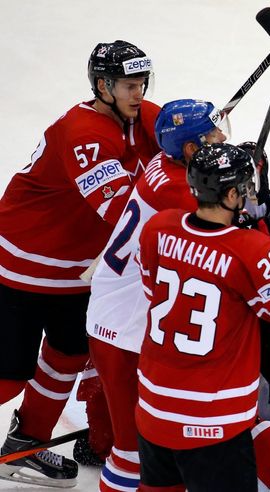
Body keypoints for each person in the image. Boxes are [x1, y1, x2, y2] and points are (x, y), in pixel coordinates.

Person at [85, 99, 270, 491]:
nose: (221, 137)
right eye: (214, 135)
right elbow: (252, 257)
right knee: (132, 456)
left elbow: (244, 233)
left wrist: (244, 184)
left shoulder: (169, 182)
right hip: (132, 329)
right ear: (191, 152)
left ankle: (102, 427)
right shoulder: (184, 204)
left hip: (146, 321)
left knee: (152, 448)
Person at [0, 40, 159, 487]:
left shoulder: (138, 114)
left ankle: (24, 445)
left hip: (76, 273)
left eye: (142, 83)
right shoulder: (83, 133)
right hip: (23, 265)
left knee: (67, 356)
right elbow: (121, 211)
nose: (139, 92)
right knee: (8, 376)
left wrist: (202, 139)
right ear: (103, 86)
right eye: (130, 84)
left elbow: (177, 130)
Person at [134, 142, 270, 491]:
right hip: (212, 420)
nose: (249, 194)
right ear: (230, 195)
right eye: (244, 188)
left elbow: (153, 289)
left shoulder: (159, 227)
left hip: (153, 406)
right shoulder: (250, 249)